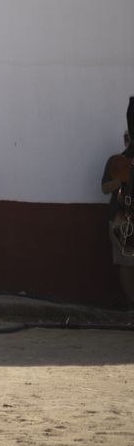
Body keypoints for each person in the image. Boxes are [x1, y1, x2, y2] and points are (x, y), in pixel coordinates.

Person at [100, 99, 134, 310]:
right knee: (126, 262)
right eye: (126, 137)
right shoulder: (117, 162)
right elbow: (104, 188)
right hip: (121, 218)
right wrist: (122, 179)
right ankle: (131, 304)